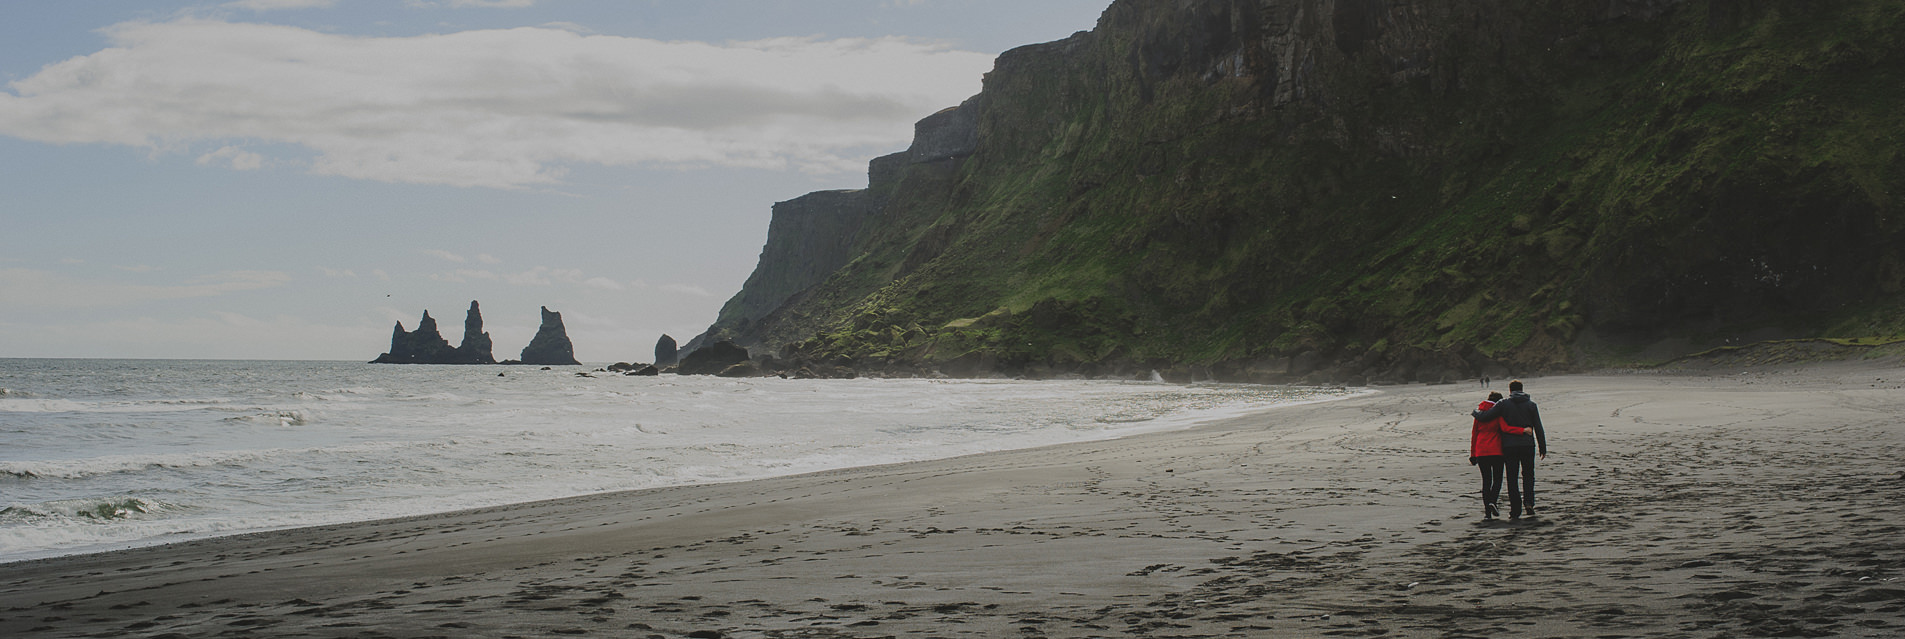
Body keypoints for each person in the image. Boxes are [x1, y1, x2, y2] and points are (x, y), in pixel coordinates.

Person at [1471, 379, 1548, 519]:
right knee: (1529, 475)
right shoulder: (1531, 405)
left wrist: (1475, 412)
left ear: (1510, 390)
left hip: (1509, 446)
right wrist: (1542, 447)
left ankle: (1515, 510)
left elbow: (1486, 416)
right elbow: (1538, 426)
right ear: (1522, 389)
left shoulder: (1504, 404)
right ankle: (1529, 502)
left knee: (1512, 478)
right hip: (1527, 445)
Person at [1468, 391, 1525, 520]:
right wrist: (1523, 430)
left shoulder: (1479, 416)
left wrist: (1473, 454)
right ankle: (1493, 501)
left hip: (1481, 451)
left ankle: (1487, 512)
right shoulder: (1498, 415)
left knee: (1486, 481)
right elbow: (1506, 429)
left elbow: (1474, 435)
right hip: (1496, 451)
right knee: (1497, 479)